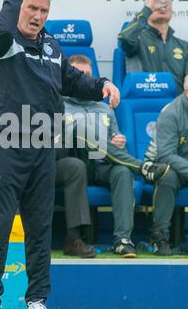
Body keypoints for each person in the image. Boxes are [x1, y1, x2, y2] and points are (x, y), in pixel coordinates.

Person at [0, 0, 120, 309]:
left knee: (39, 229)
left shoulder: (52, 46)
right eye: (31, 9)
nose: (38, 17)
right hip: (5, 139)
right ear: (17, 7)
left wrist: (100, 83)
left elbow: (72, 80)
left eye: (43, 11)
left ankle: (37, 300)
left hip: (43, 143)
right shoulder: (2, 41)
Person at [65, 55, 170, 258]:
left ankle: (122, 240)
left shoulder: (104, 107)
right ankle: (142, 167)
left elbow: (115, 139)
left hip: (104, 164)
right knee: (82, 129)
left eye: (87, 75)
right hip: (76, 164)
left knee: (122, 171)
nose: (83, 79)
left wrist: (117, 140)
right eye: (77, 74)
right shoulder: (59, 103)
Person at [145, 76, 188, 255]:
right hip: (161, 164)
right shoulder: (171, 113)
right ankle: (159, 235)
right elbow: (166, 155)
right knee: (168, 175)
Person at [118, 0, 188, 95]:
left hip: (176, 106)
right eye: (155, 2)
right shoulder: (137, 39)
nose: (161, 6)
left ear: (172, 11)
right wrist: (148, 8)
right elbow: (124, 38)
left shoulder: (184, 46)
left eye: (166, 3)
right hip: (147, 102)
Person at [55, 148, 96, 258]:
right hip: (21, 162)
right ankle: (14, 239)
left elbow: (63, 148)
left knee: (75, 166)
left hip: (49, 163)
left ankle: (73, 239)